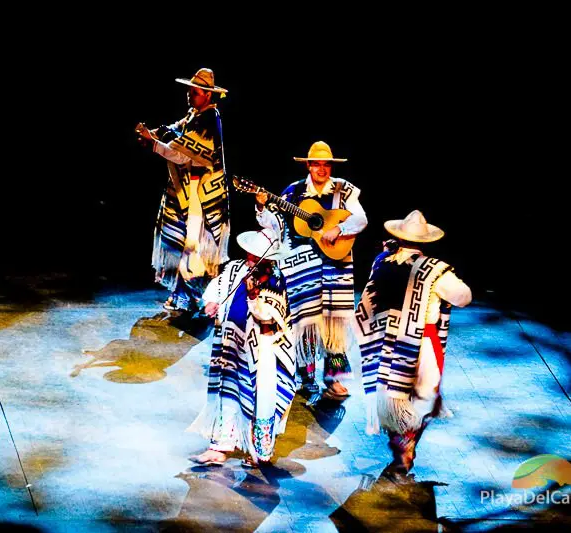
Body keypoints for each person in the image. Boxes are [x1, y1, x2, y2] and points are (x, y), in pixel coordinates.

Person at [354, 210, 472, 481]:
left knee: (394, 397)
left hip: (384, 340)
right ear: (426, 242)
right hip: (418, 343)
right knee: (423, 398)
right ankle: (405, 447)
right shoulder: (434, 270)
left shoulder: (381, 261)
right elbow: (463, 297)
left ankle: (401, 447)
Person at [255, 141, 367, 404]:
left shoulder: (343, 190)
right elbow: (275, 225)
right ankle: (306, 379)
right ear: (308, 165)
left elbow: (361, 218)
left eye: (326, 164)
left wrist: (338, 229)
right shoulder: (293, 193)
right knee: (305, 322)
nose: (322, 169)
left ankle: (336, 379)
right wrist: (261, 207)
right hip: (302, 266)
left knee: (333, 322)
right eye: (316, 164)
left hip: (335, 264)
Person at [188, 228, 296, 467]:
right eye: (250, 253)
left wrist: (253, 297)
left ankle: (259, 452)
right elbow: (217, 286)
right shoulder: (236, 267)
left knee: (260, 397)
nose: (251, 257)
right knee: (227, 392)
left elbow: (269, 317)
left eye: (256, 255)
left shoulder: (276, 279)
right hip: (231, 341)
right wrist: (212, 302)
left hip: (262, 349)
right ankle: (220, 447)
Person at [136, 68, 230, 312]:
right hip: (188, 189)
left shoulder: (210, 119)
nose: (190, 95)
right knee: (183, 242)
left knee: (194, 245)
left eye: (195, 92)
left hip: (201, 192)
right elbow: (172, 131)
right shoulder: (193, 115)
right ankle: (181, 294)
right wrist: (152, 135)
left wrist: (154, 143)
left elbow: (179, 153)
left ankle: (188, 297)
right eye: (190, 91)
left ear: (208, 95)